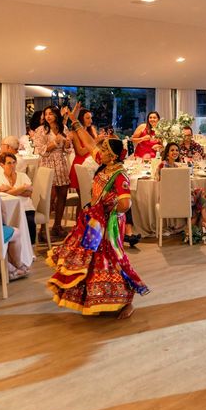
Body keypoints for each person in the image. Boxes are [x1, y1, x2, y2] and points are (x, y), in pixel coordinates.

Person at [47, 103, 149, 319]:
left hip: (109, 223)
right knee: (92, 258)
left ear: (112, 155)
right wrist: (74, 123)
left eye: (104, 150)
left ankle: (126, 301)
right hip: (95, 221)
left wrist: (107, 206)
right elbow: (89, 141)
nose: (98, 151)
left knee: (112, 258)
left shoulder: (119, 174)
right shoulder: (105, 164)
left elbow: (125, 204)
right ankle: (97, 298)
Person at [157, 142, 206, 233]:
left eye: (177, 150)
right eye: (172, 150)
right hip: (170, 198)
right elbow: (163, 183)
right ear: (167, 152)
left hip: (179, 196)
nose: (175, 152)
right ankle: (204, 222)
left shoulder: (176, 166)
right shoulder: (163, 165)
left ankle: (190, 230)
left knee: (198, 199)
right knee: (200, 194)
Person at [34, 106, 72, 240]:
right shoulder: (41, 130)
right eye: (46, 114)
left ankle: (57, 225)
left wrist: (67, 144)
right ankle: (43, 229)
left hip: (61, 164)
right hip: (47, 164)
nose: (48, 116)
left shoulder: (64, 128)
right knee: (48, 198)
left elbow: (68, 150)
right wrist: (55, 142)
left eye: (51, 114)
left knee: (62, 195)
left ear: (56, 115)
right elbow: (40, 150)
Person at [0, 153, 36, 244]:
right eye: (9, 163)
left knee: (30, 222)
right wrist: (22, 188)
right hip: (7, 209)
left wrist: (9, 189)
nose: (12, 165)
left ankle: (31, 246)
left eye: (14, 162)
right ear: (2, 164)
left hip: (26, 208)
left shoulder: (23, 176)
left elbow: (28, 193)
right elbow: (0, 193)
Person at [69, 108, 98, 211]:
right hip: (80, 166)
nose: (90, 120)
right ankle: (80, 225)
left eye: (91, 118)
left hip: (92, 166)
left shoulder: (92, 130)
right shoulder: (75, 133)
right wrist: (94, 142)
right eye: (87, 118)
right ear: (81, 119)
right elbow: (80, 151)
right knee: (83, 200)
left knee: (91, 198)